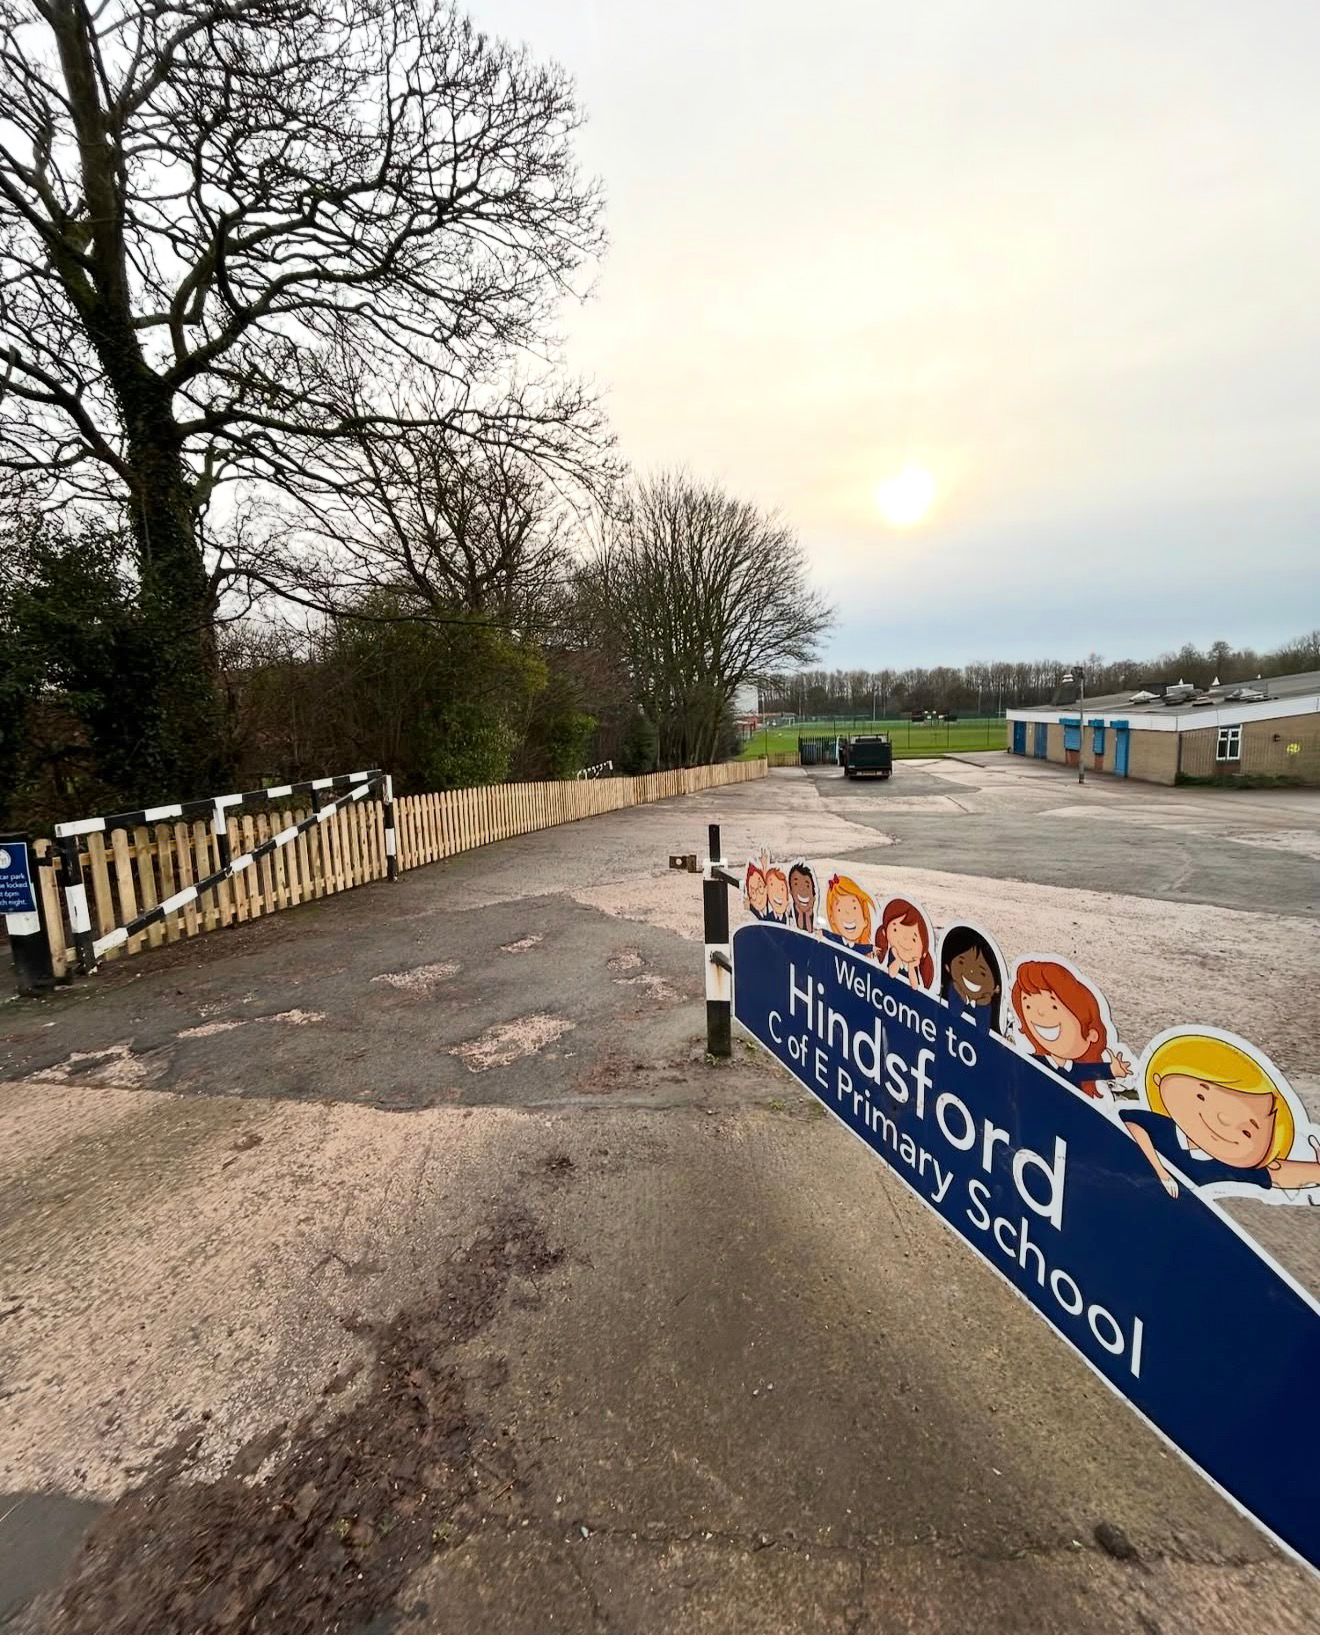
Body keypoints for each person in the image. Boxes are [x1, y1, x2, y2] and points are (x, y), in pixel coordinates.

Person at [1123, 1032, 1320, 1199]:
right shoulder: (1160, 1126)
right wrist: (1161, 1171)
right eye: (1201, 1096)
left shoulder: (1231, 1166)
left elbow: (1276, 1175)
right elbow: (1130, 1125)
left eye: (1247, 1131)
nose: (1222, 1120)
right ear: (1159, 1080)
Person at [1010, 958, 1130, 1096]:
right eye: (1028, 1006)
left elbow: (1090, 1071)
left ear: (1092, 1034)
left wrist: (1112, 1070)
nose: (1040, 1013)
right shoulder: (1034, 1063)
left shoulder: (1075, 1070)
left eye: (1053, 1007)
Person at [939, 924, 1003, 1033]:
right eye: (961, 962)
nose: (971, 972)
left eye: (982, 973)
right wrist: (959, 990)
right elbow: (954, 1011)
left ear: (996, 987)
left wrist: (984, 1001)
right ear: (947, 967)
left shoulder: (987, 1004)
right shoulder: (953, 989)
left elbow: (984, 1030)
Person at [876, 897, 934, 989]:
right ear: (885, 932)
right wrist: (898, 959)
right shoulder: (893, 951)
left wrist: (911, 967)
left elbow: (915, 986)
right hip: (888, 988)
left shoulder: (913, 960)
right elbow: (892, 973)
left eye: (914, 939)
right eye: (895, 930)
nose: (905, 940)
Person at [822, 874, 876, 955]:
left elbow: (860, 948)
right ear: (832, 918)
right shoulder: (836, 944)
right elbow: (829, 935)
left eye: (854, 908)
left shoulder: (866, 951)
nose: (848, 914)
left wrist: (872, 949)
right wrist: (821, 933)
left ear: (865, 921)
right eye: (839, 910)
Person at [788, 862, 818, 933]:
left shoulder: (818, 921)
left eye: (807, 886)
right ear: (791, 892)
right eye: (796, 884)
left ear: (813, 896)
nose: (803, 890)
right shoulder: (789, 916)